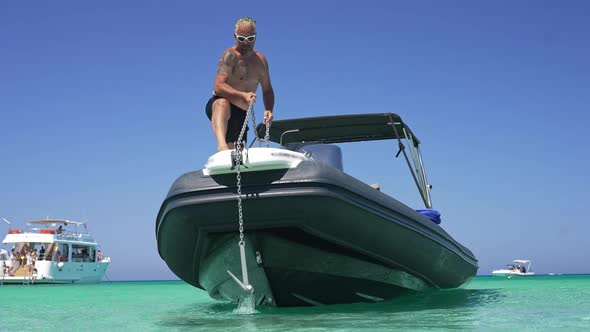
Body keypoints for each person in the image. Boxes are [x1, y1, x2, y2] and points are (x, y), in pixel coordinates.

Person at [205, 17, 275, 152]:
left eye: (250, 39)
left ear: (256, 37)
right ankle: (221, 146)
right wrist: (242, 95)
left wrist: (269, 110)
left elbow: (267, 90)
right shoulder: (229, 56)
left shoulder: (260, 61)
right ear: (235, 36)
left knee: (238, 155)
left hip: (241, 114)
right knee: (222, 103)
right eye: (242, 39)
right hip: (221, 106)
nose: (246, 43)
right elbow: (218, 86)